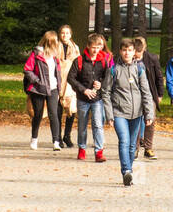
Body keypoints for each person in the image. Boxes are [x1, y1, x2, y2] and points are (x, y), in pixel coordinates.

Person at [103, 37, 156, 185]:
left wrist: (149, 113)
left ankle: (130, 172)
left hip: (137, 114)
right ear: (120, 51)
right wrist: (109, 114)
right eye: (124, 50)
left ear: (134, 52)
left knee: (133, 145)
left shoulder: (139, 69)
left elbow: (146, 92)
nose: (127, 53)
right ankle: (126, 170)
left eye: (130, 50)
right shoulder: (113, 70)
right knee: (124, 141)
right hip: (119, 112)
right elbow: (105, 92)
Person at [66, 31, 113, 162]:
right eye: (93, 47)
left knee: (98, 125)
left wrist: (101, 84)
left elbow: (108, 78)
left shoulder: (104, 61)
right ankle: (82, 149)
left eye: (98, 47)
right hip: (83, 99)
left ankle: (99, 152)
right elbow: (71, 78)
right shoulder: (79, 60)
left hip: (98, 99)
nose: (96, 50)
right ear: (88, 46)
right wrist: (84, 90)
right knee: (82, 125)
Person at [23, 32, 63, 151]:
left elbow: (58, 72)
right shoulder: (36, 54)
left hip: (53, 88)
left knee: (53, 114)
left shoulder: (55, 56)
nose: (57, 43)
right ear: (48, 42)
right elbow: (27, 69)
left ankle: (56, 141)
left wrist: (59, 86)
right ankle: (34, 139)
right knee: (38, 115)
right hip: (38, 89)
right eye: (54, 41)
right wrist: (37, 81)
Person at [130, 34, 163, 159]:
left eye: (139, 52)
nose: (137, 55)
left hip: (149, 94)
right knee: (136, 122)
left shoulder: (152, 59)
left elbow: (159, 77)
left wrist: (160, 94)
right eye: (135, 52)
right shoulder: (128, 60)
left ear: (144, 49)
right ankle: (135, 148)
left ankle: (148, 148)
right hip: (134, 96)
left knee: (150, 121)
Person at [56, 24, 80, 148]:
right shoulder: (55, 47)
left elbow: (78, 65)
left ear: (71, 35)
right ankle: (57, 138)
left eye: (67, 33)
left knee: (72, 110)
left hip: (71, 82)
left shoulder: (75, 48)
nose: (65, 35)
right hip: (58, 81)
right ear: (59, 34)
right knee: (57, 111)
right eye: (63, 33)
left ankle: (67, 135)